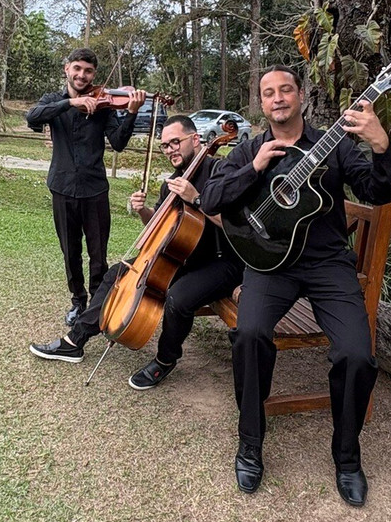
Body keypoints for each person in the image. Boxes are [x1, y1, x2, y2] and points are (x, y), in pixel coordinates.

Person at [199, 65, 391, 506]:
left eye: (285, 89)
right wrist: (253, 168)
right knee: (249, 335)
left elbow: (379, 192)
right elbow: (211, 199)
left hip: (328, 265)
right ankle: (250, 441)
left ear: (301, 96)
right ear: (262, 101)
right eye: (268, 92)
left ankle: (347, 458)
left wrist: (381, 144)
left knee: (356, 353)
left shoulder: (334, 146)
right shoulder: (250, 149)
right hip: (270, 265)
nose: (277, 98)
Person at [29, 116, 244, 388]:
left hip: (221, 261)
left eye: (175, 142)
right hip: (180, 257)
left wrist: (197, 199)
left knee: (178, 298)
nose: (170, 150)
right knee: (117, 275)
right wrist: (144, 211)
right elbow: (158, 227)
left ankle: (165, 360)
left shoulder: (219, 171)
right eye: (165, 145)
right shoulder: (171, 183)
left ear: (196, 140)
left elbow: (236, 225)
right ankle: (75, 341)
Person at [26, 48, 145, 326]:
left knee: (98, 254)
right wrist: (72, 104)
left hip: (95, 190)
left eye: (88, 71)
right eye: (77, 68)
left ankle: (98, 304)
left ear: (94, 74)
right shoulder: (54, 101)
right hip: (62, 187)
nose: (82, 75)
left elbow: (117, 142)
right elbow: (32, 117)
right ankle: (77, 302)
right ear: (67, 68)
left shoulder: (103, 103)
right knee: (70, 251)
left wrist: (131, 114)